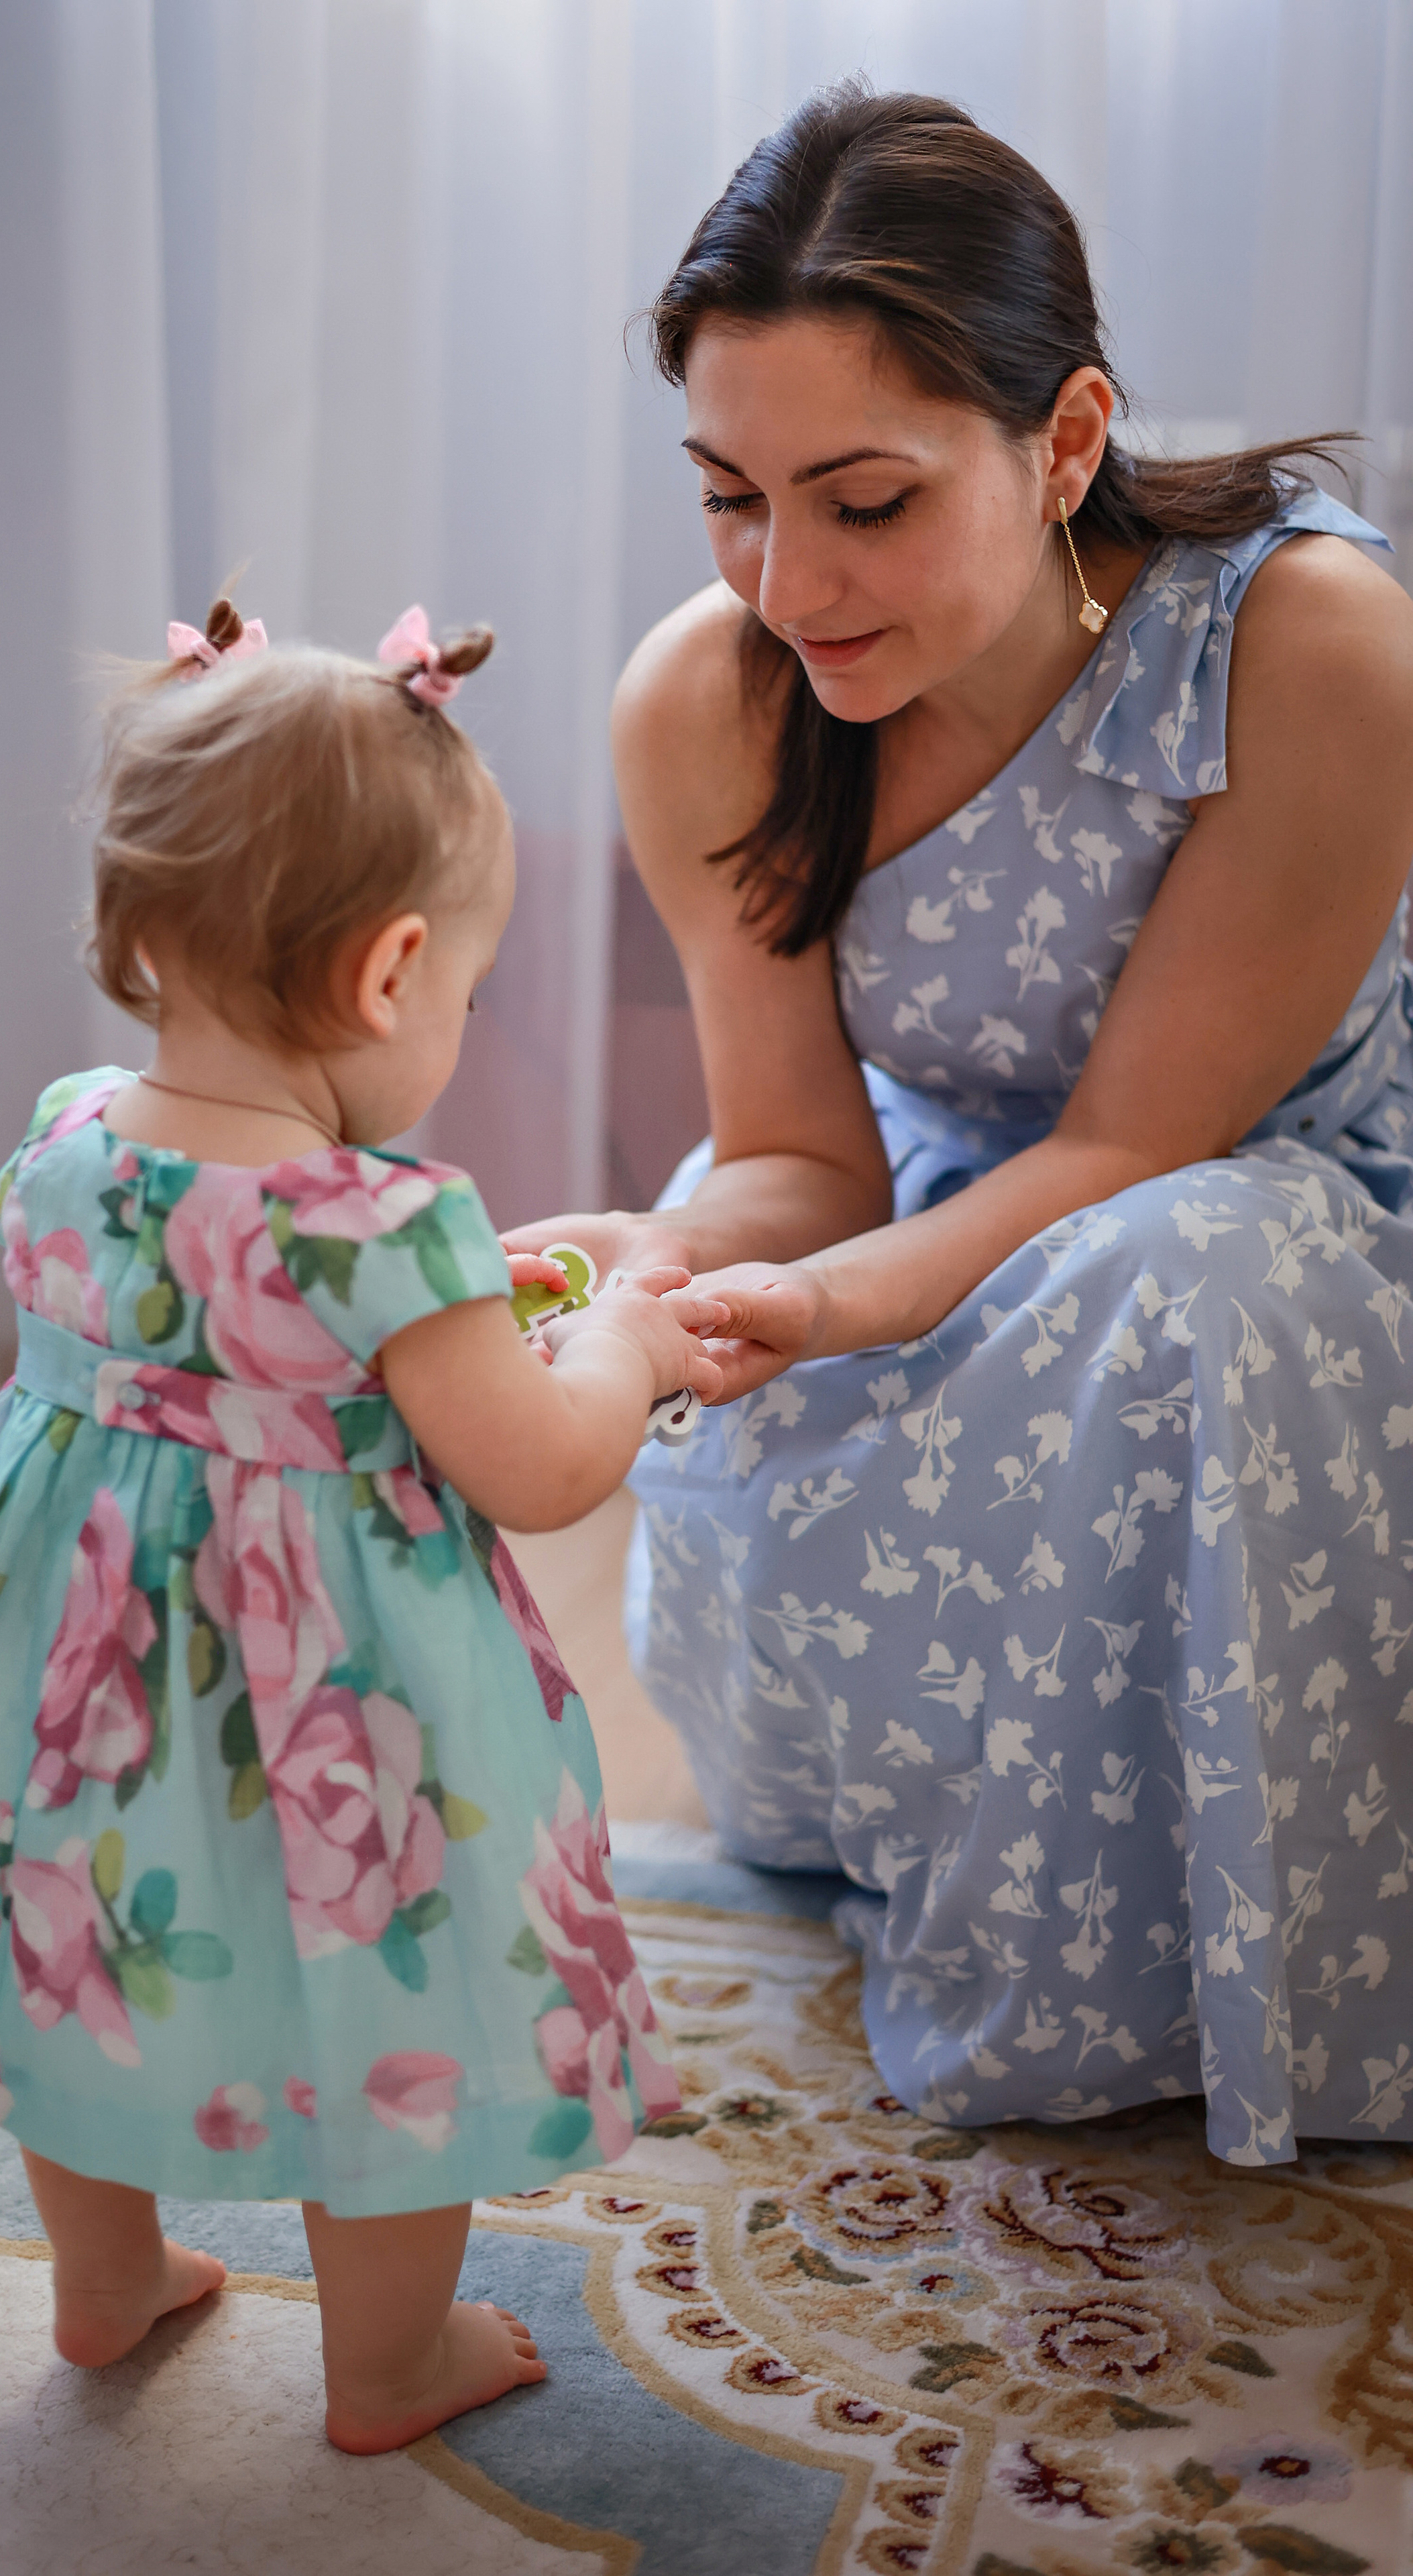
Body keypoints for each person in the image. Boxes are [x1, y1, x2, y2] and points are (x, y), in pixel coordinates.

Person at [507, 85, 1413, 2169]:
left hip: (1284, 1232)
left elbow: (1130, 1153)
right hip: (936, 1225)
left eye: (865, 501)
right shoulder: (709, 701)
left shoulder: (1306, 644)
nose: (788, 577)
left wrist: (806, 1308)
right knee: (790, 1368)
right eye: (730, 494)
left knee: (1188, 1283)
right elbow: (798, 1157)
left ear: (1069, 438)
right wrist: (675, 1269)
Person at [0, 598, 729, 2451]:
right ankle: (386, 2367)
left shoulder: (66, 1140)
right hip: (334, 1723)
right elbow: (533, 1462)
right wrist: (626, 1336)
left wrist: (484, 1288)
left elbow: (217, 1327)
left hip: (65, 1690)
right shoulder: (388, 1230)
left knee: (72, 1958)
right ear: (392, 975)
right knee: (391, 1998)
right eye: (464, 991)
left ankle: (105, 2283)